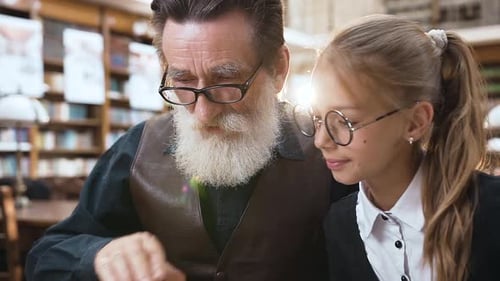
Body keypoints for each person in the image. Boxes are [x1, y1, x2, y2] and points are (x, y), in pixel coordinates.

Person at [25, 1, 355, 280]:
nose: (202, 112)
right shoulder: (136, 150)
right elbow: (45, 255)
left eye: (225, 82)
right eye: (182, 82)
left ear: (279, 69)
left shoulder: (332, 152)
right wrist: (99, 255)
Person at [295, 14, 500, 281]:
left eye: (345, 121)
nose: (321, 140)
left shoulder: (491, 212)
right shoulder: (337, 227)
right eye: (317, 118)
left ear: (415, 122)